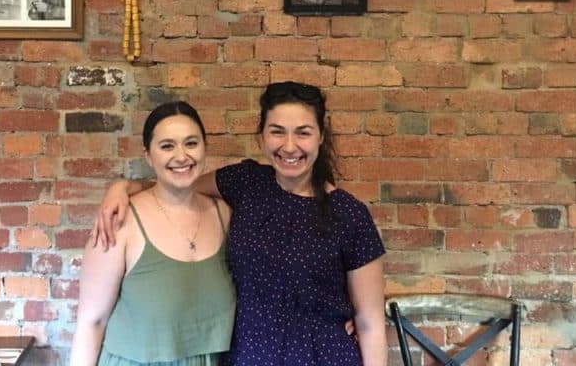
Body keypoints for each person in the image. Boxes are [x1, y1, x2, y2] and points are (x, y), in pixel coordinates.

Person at [93, 82, 388, 366]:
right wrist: (123, 187)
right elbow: (180, 182)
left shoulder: (350, 215)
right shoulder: (245, 182)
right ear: (261, 137)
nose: (289, 146)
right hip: (249, 355)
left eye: (303, 133)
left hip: (324, 356)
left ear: (321, 137)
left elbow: (369, 322)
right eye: (277, 132)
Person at [69, 101, 235, 366]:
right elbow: (92, 322)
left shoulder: (224, 215)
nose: (181, 156)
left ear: (205, 148)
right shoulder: (119, 221)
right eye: (167, 146)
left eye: (191, 143)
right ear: (148, 156)